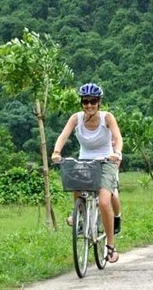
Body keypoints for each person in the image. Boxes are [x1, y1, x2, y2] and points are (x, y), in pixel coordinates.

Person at [51, 83, 123, 263]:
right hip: (84, 161)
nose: (89, 105)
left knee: (105, 201)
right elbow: (63, 135)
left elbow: (117, 137)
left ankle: (111, 246)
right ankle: (81, 218)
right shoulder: (76, 118)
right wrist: (56, 152)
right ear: (81, 102)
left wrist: (117, 153)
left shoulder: (107, 118)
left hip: (106, 161)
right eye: (85, 101)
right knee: (75, 186)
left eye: (93, 101)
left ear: (99, 102)